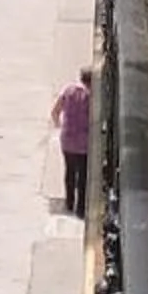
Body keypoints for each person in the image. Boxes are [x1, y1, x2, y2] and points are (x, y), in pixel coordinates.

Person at [51, 65, 92, 219]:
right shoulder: (91, 97)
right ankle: (80, 208)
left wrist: (59, 126)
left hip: (67, 139)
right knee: (83, 176)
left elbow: (55, 111)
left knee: (69, 171)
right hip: (84, 142)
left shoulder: (68, 91)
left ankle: (69, 202)